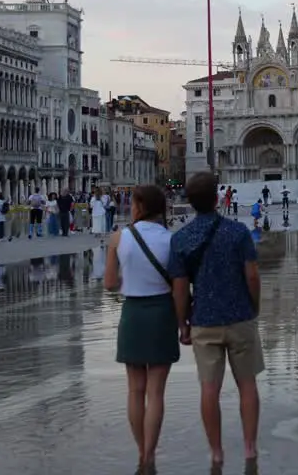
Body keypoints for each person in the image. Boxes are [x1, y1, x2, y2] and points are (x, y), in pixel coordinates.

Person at [169, 173, 263, 468]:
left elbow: (180, 288)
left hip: (204, 321)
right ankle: (249, 449)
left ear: (191, 202)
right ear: (217, 199)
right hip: (240, 317)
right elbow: (252, 275)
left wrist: (182, 323)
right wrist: (254, 307)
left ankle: (216, 452)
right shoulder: (238, 232)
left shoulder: (181, 238)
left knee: (209, 389)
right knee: (247, 385)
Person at [104, 184, 178, 472]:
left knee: (135, 389)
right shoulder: (171, 240)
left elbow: (109, 284)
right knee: (156, 392)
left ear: (138, 206)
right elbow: (180, 284)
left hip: (132, 312)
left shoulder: (118, 238)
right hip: (162, 312)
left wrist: (131, 284)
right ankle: (150, 454)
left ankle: (141, 454)